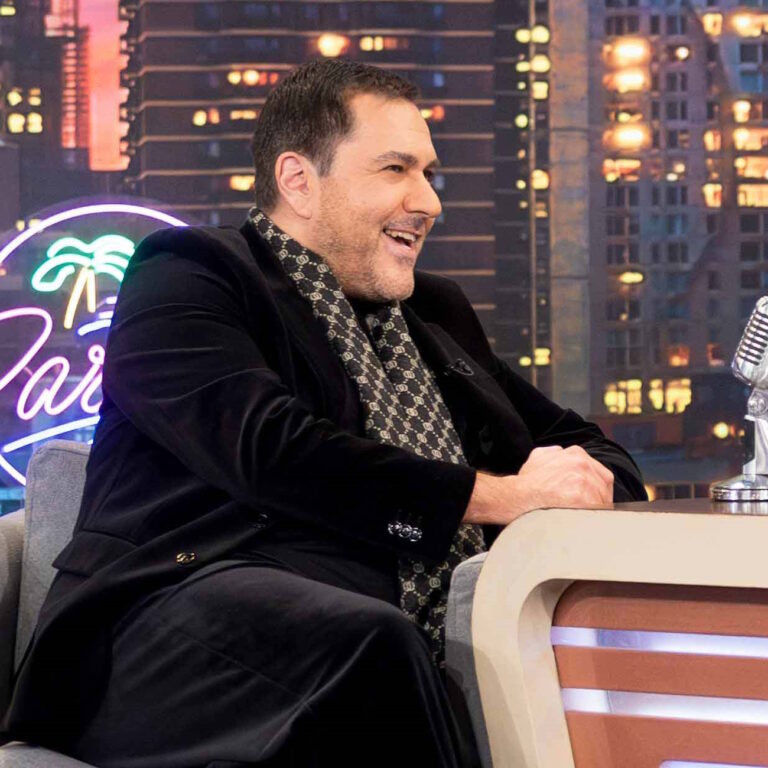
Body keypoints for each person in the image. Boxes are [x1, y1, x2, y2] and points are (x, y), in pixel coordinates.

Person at [4, 59, 645, 767]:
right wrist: (507, 497)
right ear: (299, 180)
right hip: (159, 622)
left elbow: (586, 448)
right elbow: (271, 451)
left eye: (429, 173)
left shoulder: (435, 312)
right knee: (372, 642)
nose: (428, 201)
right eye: (395, 169)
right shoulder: (189, 273)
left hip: (367, 630)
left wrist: (580, 488)